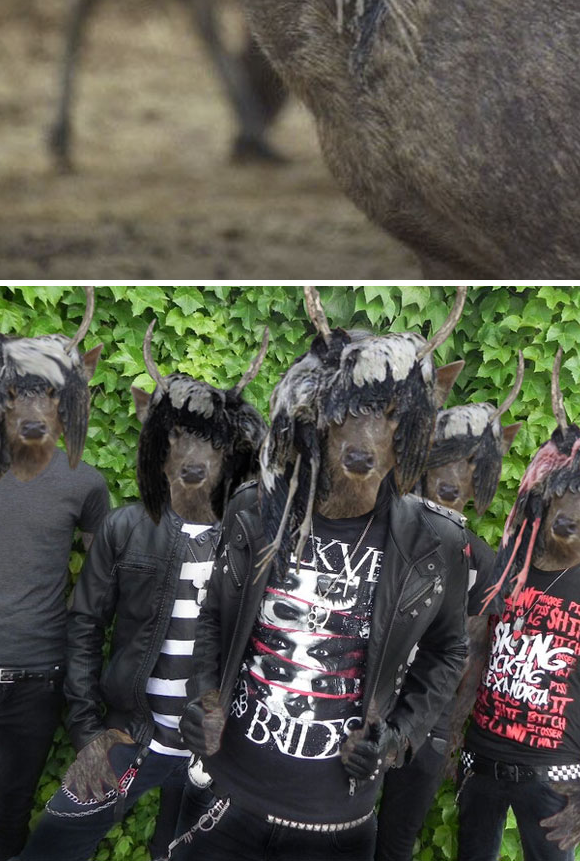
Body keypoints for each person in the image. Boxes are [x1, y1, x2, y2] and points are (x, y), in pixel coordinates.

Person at [176, 286, 469, 860]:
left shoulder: (435, 541)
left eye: (385, 418)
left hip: (336, 825)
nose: (362, 443)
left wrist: (399, 737)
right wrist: (205, 696)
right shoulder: (253, 510)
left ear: (407, 429)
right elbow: (214, 614)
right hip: (224, 798)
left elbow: (448, 650)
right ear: (318, 419)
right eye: (347, 416)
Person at [14, 323, 267, 861]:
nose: (193, 455)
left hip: (219, 754)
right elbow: (84, 626)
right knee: (52, 847)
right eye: (176, 437)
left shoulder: (252, 540)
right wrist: (88, 732)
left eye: (210, 442)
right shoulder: (125, 528)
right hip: (131, 737)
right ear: (155, 441)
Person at [0, 287, 107, 861]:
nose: (35, 412)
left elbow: (100, 574)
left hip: (40, 679)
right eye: (18, 395)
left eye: (51, 395)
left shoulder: (85, 481)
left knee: (10, 811)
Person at [457, 350, 580, 861]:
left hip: (553, 781)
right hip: (480, 764)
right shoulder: (501, 573)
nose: (572, 514)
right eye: (568, 494)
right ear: (546, 493)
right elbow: (472, 659)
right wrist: (450, 744)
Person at [375, 353, 524, 861]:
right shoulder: (380, 528)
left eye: (470, 468)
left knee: (395, 843)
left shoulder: (483, 563)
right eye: (444, 459)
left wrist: (452, 734)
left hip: (427, 730)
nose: (453, 479)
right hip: (362, 703)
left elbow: (478, 656)